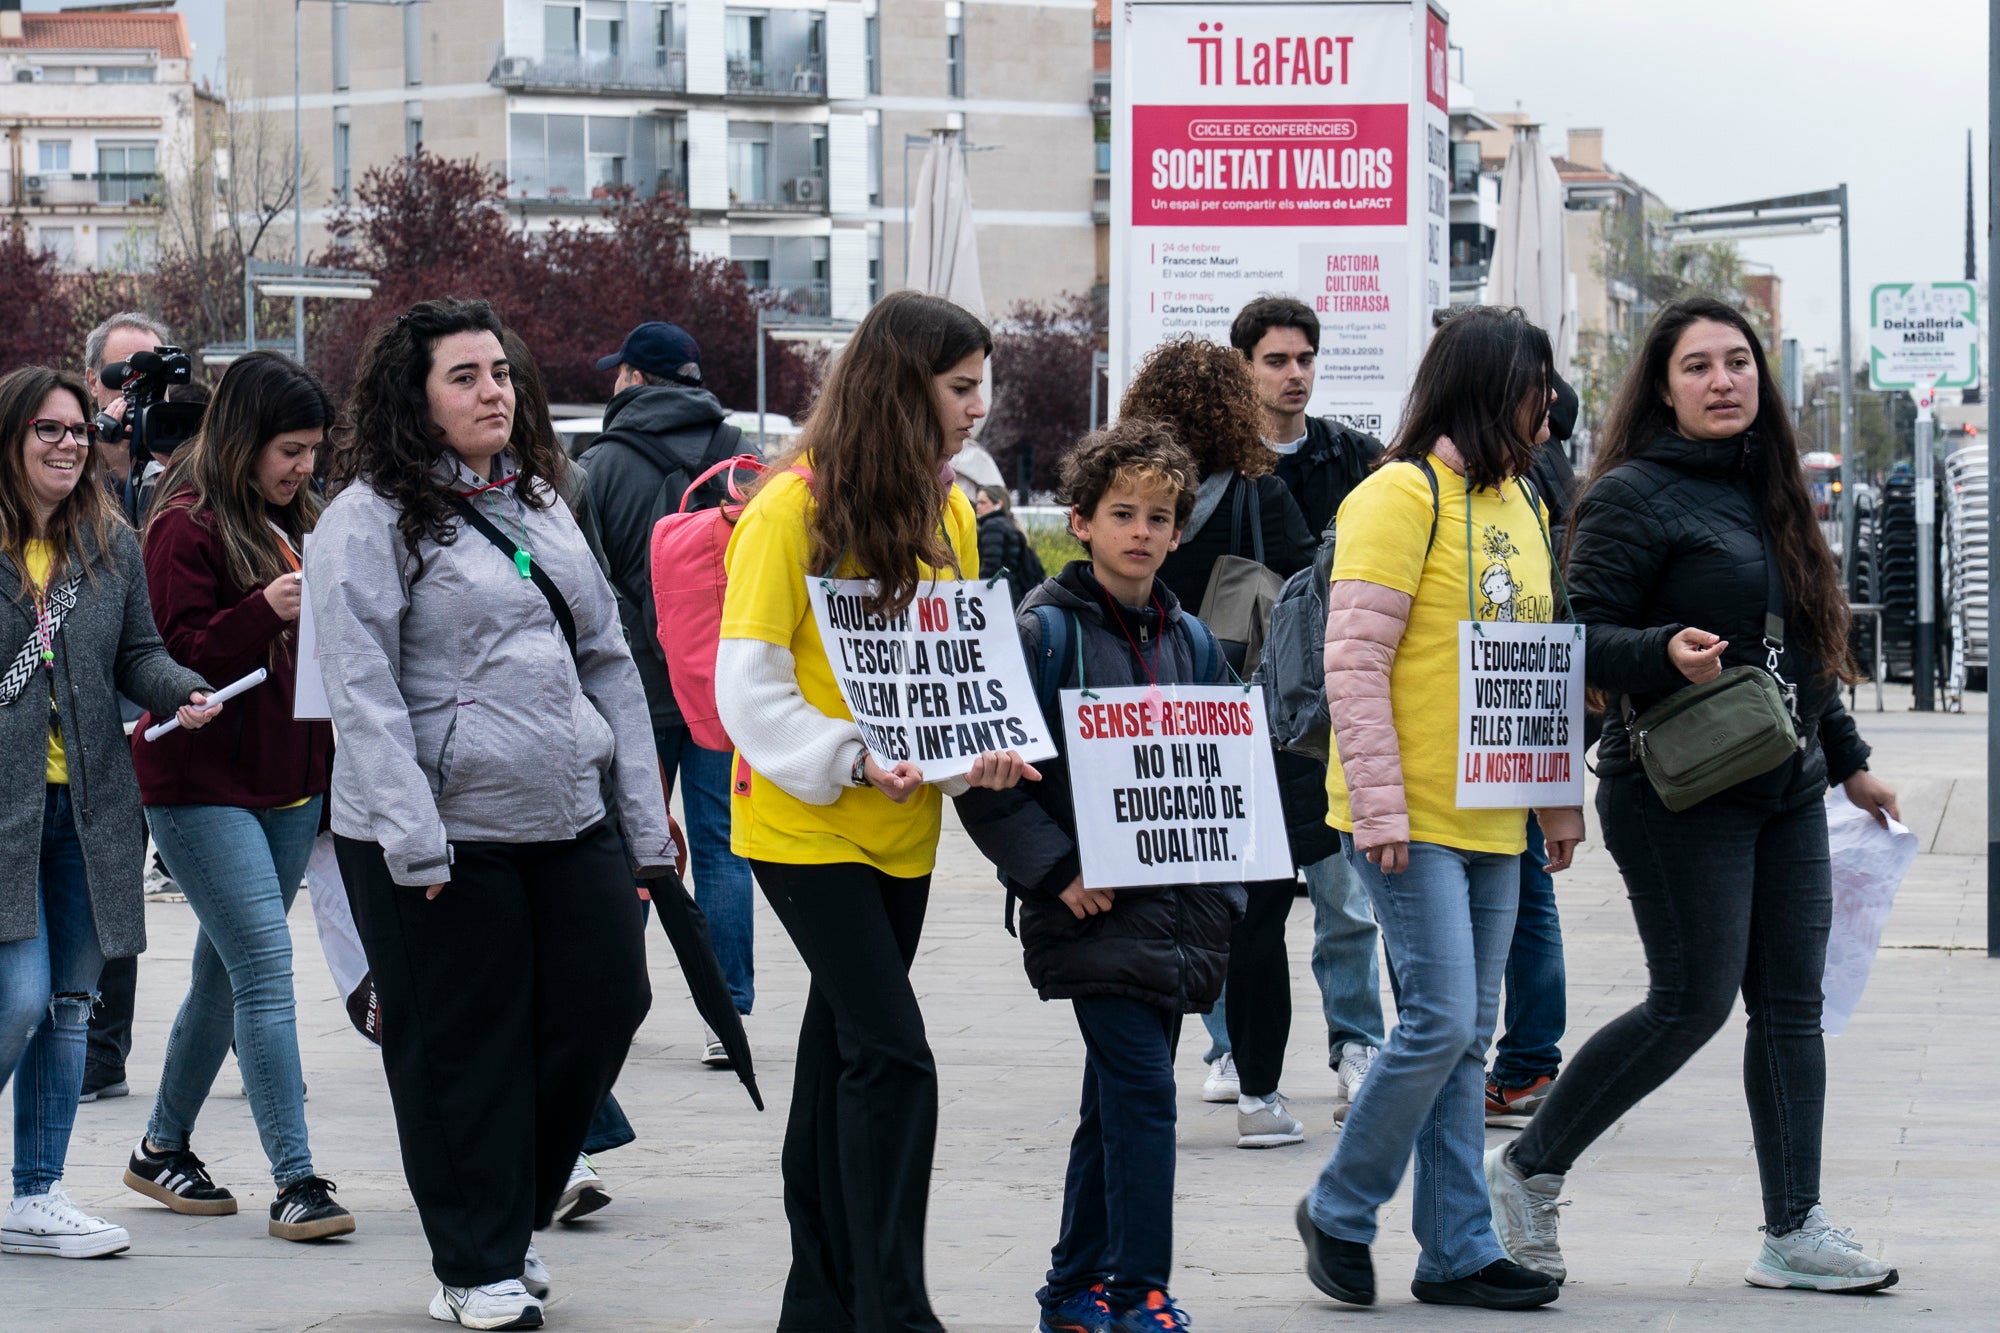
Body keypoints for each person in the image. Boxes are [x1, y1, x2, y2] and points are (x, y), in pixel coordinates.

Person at [1484, 296, 1902, 1295]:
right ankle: (1527, 1171)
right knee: (1689, 1002)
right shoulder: (1629, 494)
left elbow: (1799, 645)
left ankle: (1791, 1228)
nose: (1722, 381)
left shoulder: (1768, 488)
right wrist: (1660, 652)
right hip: (1673, 788)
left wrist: (1845, 756)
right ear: (1661, 388)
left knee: (1789, 1008)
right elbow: (1576, 636)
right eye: (1697, 366)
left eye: (1736, 362)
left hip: (1784, 784)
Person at [310, 298, 668, 1329]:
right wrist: (412, 833)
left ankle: (505, 1216)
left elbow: (605, 651)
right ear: (412, 400)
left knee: (607, 1001)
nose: (492, 391)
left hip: (565, 814)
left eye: (500, 372)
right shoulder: (365, 518)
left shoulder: (545, 501)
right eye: (463, 376)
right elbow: (363, 685)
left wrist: (642, 819)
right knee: (459, 1043)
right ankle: (474, 1263)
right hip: (433, 834)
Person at [713, 290, 1036, 1332]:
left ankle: (818, 1302)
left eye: (980, 383)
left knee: (840, 1061)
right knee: (894, 1054)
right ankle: (894, 1306)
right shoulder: (787, 508)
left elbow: (945, 674)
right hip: (803, 824)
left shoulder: (947, 509)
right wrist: (849, 755)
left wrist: (971, 755)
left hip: (902, 831)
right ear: (902, 386)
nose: (977, 406)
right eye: (958, 386)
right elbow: (747, 684)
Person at [1295, 306, 1577, 1312]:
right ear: (1493, 387)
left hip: (1496, 813)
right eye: (1535, 382)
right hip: (1405, 814)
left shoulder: (1524, 504)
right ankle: (1339, 1203)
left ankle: (1455, 1247)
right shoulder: (1396, 494)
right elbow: (1354, 661)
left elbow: (1533, 663)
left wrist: (1555, 804)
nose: (1549, 403)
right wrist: (1375, 805)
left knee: (1467, 1035)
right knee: (1440, 1019)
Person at [957, 420, 1241, 1333]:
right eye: (1122, 512)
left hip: (1177, 907)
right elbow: (984, 780)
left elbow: (1229, 768)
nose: (1143, 531)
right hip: (1091, 907)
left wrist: (1226, 889)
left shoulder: (1194, 639)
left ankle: (1071, 1285)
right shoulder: (1040, 634)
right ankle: (1137, 1288)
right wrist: (1058, 871)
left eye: (1161, 516)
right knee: (1144, 1096)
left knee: (1113, 1101)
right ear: (1078, 521)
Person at [122, 351, 350, 1241]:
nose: (303, 468)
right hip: (198, 781)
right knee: (263, 966)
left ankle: (159, 1147)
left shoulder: (301, 518)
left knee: (223, 973)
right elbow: (167, 657)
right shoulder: (183, 524)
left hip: (290, 784)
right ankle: (296, 1178)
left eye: (313, 452)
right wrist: (266, 609)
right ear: (245, 439)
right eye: (289, 450)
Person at [0, 365, 218, 1259]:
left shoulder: (109, 542)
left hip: (90, 811)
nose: (67, 445)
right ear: (12, 439)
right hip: (4, 810)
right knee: (16, 996)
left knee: (69, 1002)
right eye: (47, 430)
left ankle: (36, 1195)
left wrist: (186, 691)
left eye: (79, 430)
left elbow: (140, 656)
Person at [1121, 334, 1315, 1148]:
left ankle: (1146, 1088)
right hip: (1247, 734)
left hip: (1147, 728)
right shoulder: (1261, 497)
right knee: (1261, 920)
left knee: (1155, 916)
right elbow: (1306, 595)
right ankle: (1261, 1098)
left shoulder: (1128, 495)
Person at [579, 321, 755, 1071]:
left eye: (620, 371)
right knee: (721, 843)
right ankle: (727, 1011)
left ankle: (611, 999)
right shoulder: (738, 458)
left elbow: (589, 584)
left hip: (638, 688)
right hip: (721, 685)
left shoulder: (600, 465)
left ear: (639, 379)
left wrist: (640, 644)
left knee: (632, 844)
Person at [1230, 295, 1389, 1122]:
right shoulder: (1213, 463)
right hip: (1235, 705)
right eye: (1276, 361)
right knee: (1238, 894)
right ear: (1244, 366)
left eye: (1304, 359)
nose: (1294, 375)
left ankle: (1357, 1041)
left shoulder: (1352, 456)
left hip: (1327, 705)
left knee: (1344, 894)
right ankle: (1231, 1045)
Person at [78, 309, 175, 1104]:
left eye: (151, 376)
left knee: (127, 880)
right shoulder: (66, 457)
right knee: (89, 877)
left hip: (167, 707)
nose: (136, 395)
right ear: (91, 385)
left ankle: (106, 1050)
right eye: (122, 377)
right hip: (84, 715)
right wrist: (103, 457)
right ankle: (87, 1044)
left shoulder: (187, 459)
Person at [1485, 373, 1582, 1126]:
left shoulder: (1517, 486)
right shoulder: (1547, 483)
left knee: (1518, 892)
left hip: (1496, 709)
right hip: (1527, 710)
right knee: (1533, 891)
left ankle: (1520, 1064)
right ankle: (1530, 1062)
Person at [974, 482, 1046, 608]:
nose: (978, 507)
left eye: (983, 502)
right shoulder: (1008, 523)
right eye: (977, 502)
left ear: (998, 504)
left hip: (1000, 594)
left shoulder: (992, 526)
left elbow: (990, 565)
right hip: (1014, 590)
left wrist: (978, 592)